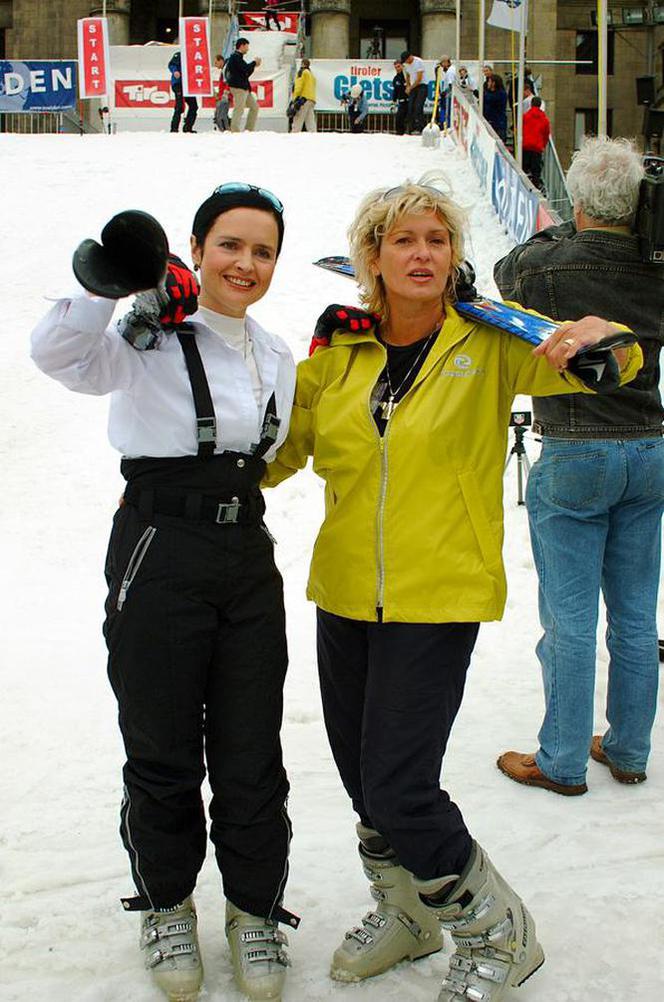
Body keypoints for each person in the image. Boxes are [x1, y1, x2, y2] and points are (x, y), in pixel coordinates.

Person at [263, 177, 642, 1002]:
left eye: (437, 239)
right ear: (372, 257)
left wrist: (596, 335)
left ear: (454, 255)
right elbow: (274, 455)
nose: (423, 253)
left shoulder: (492, 344)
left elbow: (611, 364)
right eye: (404, 240)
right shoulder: (338, 358)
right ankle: (407, 914)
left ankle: (500, 933)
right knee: (367, 782)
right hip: (345, 593)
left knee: (403, 786)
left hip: (440, 596)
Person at [30, 183, 298, 1002]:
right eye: (230, 245)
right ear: (198, 247)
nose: (245, 264)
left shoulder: (279, 354)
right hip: (158, 549)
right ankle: (167, 904)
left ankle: (253, 911)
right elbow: (59, 358)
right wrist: (115, 287)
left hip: (246, 554)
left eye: (262, 251)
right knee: (163, 745)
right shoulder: (146, 336)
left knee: (253, 751)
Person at [494, 136, 664, 796]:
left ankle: (561, 760)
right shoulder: (655, 265)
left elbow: (506, 274)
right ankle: (628, 747)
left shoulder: (545, 264)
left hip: (574, 447)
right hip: (649, 445)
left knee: (568, 619)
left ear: (580, 199)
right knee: (636, 615)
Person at [226, 37, 262, 133]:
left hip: (244, 87)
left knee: (254, 107)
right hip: (238, 87)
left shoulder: (238, 57)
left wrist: (253, 65)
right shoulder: (235, 57)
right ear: (241, 46)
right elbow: (245, 69)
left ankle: (249, 129)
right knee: (239, 109)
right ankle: (235, 130)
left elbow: (246, 72)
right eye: (247, 46)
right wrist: (254, 63)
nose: (248, 49)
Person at [522, 97, 550, 191]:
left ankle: (524, 187)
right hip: (537, 148)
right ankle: (535, 188)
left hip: (526, 146)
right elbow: (546, 134)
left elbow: (520, 129)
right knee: (536, 171)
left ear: (531, 104)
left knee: (524, 168)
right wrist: (543, 145)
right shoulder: (545, 119)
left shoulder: (525, 116)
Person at [168, 50, 198, 133]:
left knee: (194, 106)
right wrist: (175, 71)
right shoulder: (179, 54)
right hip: (178, 83)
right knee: (179, 106)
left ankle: (188, 127)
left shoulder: (195, 55)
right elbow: (171, 64)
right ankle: (174, 128)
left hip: (188, 84)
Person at [401, 49, 428, 134]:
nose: (406, 62)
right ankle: (411, 128)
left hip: (421, 86)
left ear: (410, 57)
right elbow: (408, 75)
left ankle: (421, 127)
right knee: (410, 107)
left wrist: (410, 87)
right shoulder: (406, 64)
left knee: (418, 107)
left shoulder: (418, 62)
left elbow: (419, 79)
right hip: (413, 86)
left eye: (406, 60)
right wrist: (408, 85)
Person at [290, 58, 316, 133]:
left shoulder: (302, 72)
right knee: (310, 122)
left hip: (303, 99)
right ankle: (314, 137)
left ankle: (293, 136)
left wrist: (294, 99)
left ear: (303, 64)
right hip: (311, 99)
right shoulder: (311, 74)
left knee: (298, 120)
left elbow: (298, 86)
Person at [483, 72, 508, 142]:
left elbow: (490, 99)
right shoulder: (489, 93)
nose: (487, 83)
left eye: (489, 82)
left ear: (494, 83)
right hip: (490, 123)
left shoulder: (501, 94)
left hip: (498, 125)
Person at [213, 54, 232, 132]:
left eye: (216, 63)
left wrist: (226, 93)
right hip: (223, 95)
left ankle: (226, 130)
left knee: (221, 115)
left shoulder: (226, 69)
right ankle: (226, 130)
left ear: (221, 60)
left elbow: (228, 81)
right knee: (219, 115)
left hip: (225, 95)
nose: (215, 65)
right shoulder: (224, 69)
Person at [437, 54, 456, 128]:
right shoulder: (451, 70)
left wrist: (445, 93)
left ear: (446, 62)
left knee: (446, 110)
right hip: (448, 95)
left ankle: (445, 125)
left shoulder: (450, 72)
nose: (442, 67)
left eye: (442, 64)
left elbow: (451, 84)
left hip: (449, 96)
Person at [391, 59, 408, 135]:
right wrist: (393, 102)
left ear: (402, 66)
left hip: (410, 101)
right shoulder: (395, 79)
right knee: (399, 119)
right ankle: (400, 134)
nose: (398, 69)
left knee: (409, 119)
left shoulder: (407, 76)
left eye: (399, 66)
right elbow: (395, 91)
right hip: (401, 102)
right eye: (396, 67)